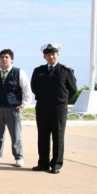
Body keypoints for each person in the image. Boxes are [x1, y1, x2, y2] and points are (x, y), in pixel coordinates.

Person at [31, 43, 77, 174]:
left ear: (58, 55)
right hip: (42, 107)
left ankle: (56, 164)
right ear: (44, 56)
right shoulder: (38, 71)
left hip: (58, 108)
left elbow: (72, 89)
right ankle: (43, 163)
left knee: (58, 137)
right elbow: (34, 87)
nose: (51, 56)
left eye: (53, 54)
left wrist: (61, 99)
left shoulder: (65, 70)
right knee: (43, 136)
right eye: (48, 54)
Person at [0, 49, 32, 167]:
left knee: (16, 134)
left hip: (13, 108)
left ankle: (19, 157)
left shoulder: (19, 72)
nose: (4, 59)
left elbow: (27, 91)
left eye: (7, 57)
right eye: (2, 57)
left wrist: (23, 105)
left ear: (12, 59)